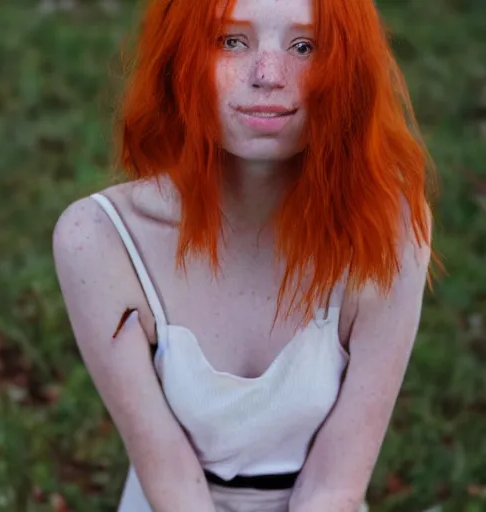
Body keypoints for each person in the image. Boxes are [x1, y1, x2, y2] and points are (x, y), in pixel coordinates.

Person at [52, 0, 437, 510]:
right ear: (178, 58)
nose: (267, 75)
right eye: (231, 41)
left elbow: (336, 485)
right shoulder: (99, 237)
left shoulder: (390, 229)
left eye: (305, 46)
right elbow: (167, 475)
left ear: (348, 69)